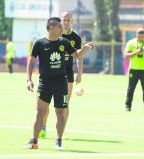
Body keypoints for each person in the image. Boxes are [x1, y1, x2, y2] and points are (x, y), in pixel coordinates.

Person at [25, 17, 95, 150]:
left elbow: (77, 55)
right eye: (59, 26)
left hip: (61, 82)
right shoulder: (39, 43)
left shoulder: (64, 42)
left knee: (60, 112)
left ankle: (58, 140)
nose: (62, 28)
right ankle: (34, 141)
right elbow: (31, 61)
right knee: (40, 112)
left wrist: (85, 48)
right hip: (44, 83)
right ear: (51, 28)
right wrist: (28, 79)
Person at [39, 11, 83, 138]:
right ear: (60, 21)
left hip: (67, 75)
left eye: (69, 20)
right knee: (45, 103)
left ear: (72, 21)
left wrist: (79, 73)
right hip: (50, 74)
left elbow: (79, 56)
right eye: (64, 20)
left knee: (65, 104)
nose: (66, 22)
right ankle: (43, 128)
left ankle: (61, 131)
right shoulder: (52, 36)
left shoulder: (76, 38)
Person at [124, 28, 144, 112]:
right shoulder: (131, 42)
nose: (140, 38)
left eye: (142, 37)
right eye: (139, 37)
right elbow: (126, 56)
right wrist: (137, 51)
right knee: (131, 88)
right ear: (136, 35)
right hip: (133, 69)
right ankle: (128, 106)